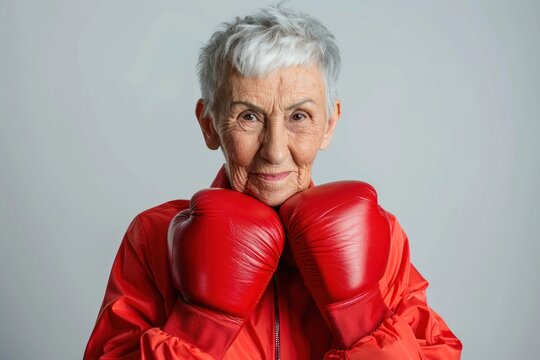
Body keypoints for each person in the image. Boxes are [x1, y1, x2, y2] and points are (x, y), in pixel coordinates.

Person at [83, 5, 462, 359]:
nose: (275, 151)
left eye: (299, 116)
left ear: (329, 124)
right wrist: (200, 323)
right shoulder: (154, 236)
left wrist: (360, 313)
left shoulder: (379, 234)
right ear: (209, 125)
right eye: (249, 116)